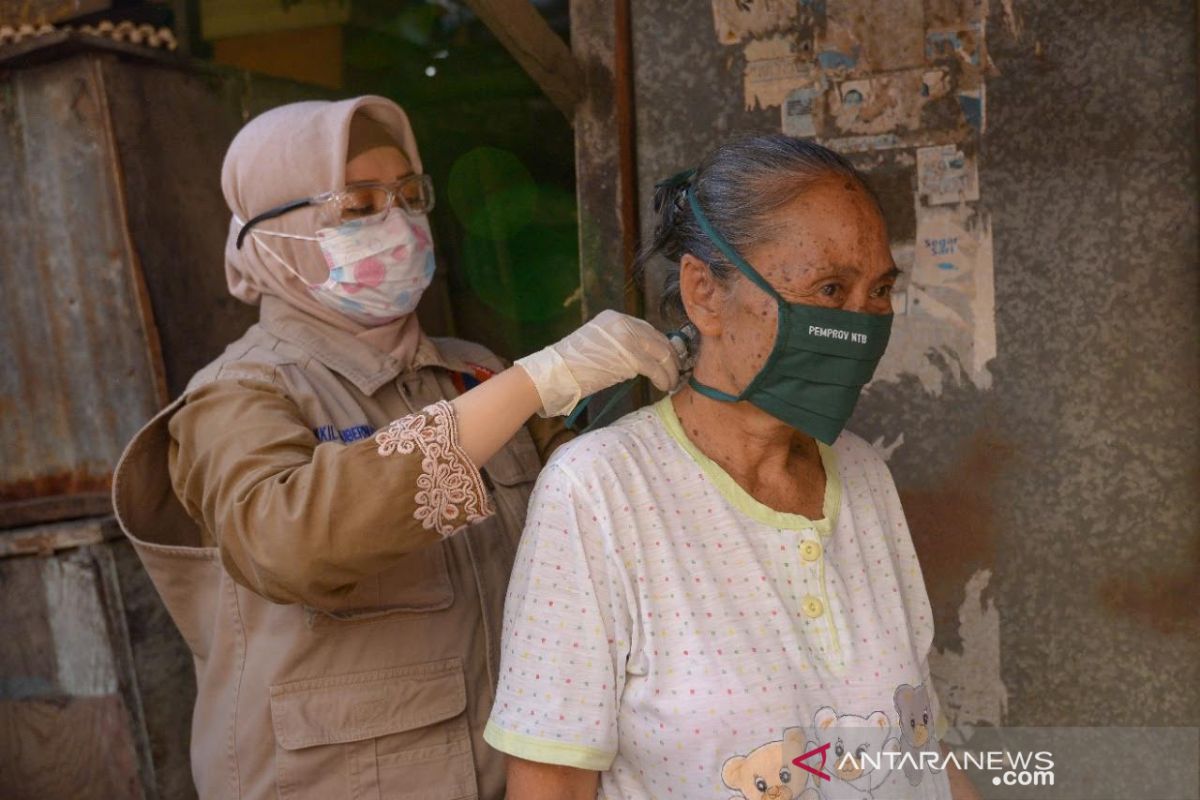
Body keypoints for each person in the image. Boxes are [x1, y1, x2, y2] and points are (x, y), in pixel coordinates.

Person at [111, 96, 680, 800]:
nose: (399, 223)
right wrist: (539, 379)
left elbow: (589, 510)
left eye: (410, 196)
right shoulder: (236, 394)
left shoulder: (470, 371)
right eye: (359, 206)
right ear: (278, 233)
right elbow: (286, 543)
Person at [484, 135, 984, 800]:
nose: (862, 323)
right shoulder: (599, 490)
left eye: (880, 290)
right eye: (829, 288)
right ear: (704, 293)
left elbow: (920, 743)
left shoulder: (863, 474)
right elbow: (551, 785)